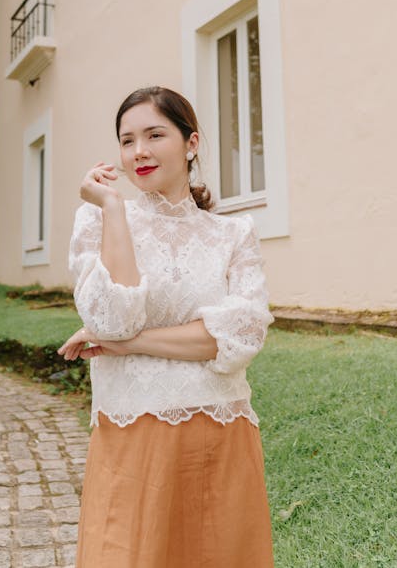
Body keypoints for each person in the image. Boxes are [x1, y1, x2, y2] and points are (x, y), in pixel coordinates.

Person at [58, 86, 275, 568]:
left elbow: (240, 336)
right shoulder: (98, 218)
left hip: (222, 433)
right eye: (127, 139)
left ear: (191, 143)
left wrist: (127, 344)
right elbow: (111, 318)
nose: (139, 152)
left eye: (155, 135)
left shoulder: (235, 235)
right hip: (132, 434)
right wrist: (113, 208)